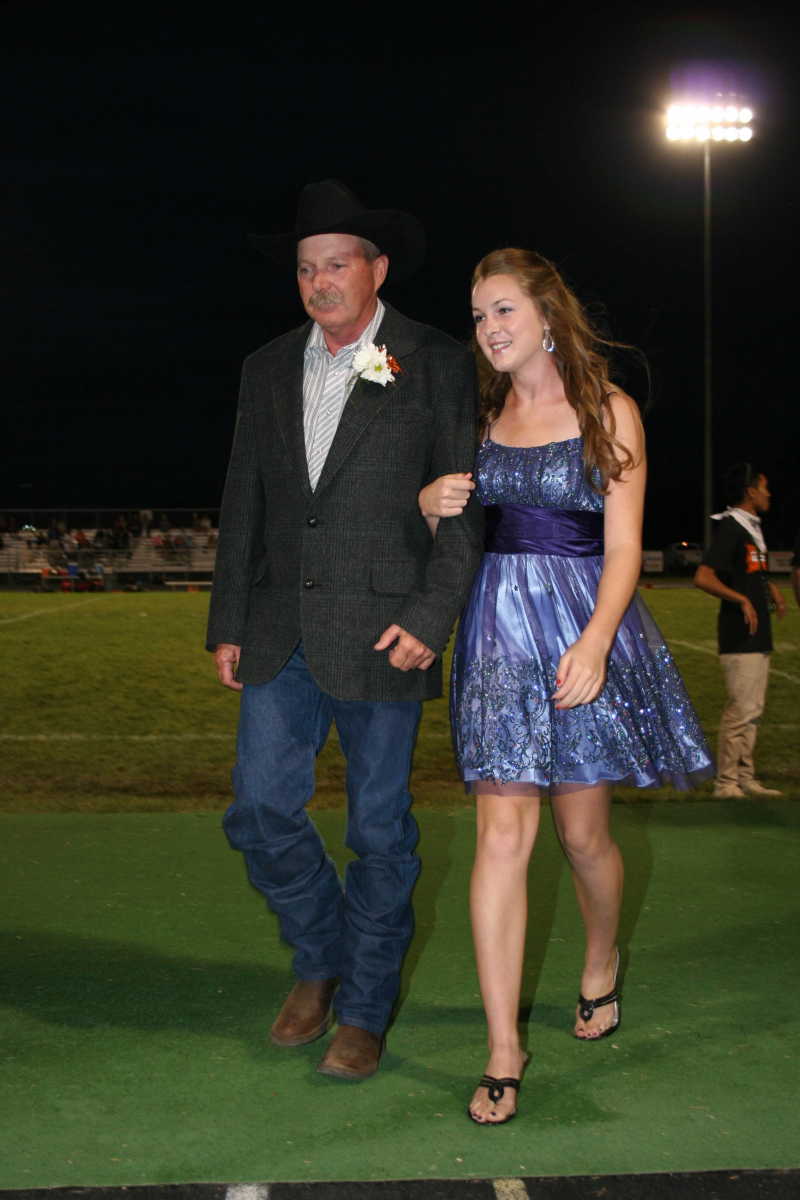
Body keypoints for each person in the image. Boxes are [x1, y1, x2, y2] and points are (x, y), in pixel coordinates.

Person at [419, 248, 712, 1125]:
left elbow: (624, 547)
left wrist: (595, 642)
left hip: (583, 631)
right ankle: (502, 1047)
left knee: (584, 839)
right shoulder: (480, 417)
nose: (489, 329)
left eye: (504, 310)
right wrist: (429, 504)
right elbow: (459, 532)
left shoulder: (608, 410)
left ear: (549, 314)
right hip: (497, 640)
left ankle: (600, 956)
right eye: (479, 316)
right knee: (501, 838)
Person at [206, 180, 482, 1082]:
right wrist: (229, 619)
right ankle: (321, 957)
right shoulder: (265, 366)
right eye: (305, 268)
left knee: (379, 833)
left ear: (377, 270)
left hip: (386, 632)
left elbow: (465, 503)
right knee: (258, 811)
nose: (320, 282)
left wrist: (431, 617)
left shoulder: (434, 361)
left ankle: (363, 1008)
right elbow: (244, 500)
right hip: (278, 628)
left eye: (336, 264)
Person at [694, 464, 785, 798]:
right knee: (741, 709)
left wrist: (768, 587)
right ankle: (726, 782)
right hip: (739, 633)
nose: (768, 494)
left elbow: (747, 572)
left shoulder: (750, 527)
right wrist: (741, 599)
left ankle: (745, 777)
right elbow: (703, 576)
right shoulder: (732, 527)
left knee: (753, 710)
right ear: (750, 491)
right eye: (764, 487)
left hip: (758, 632)